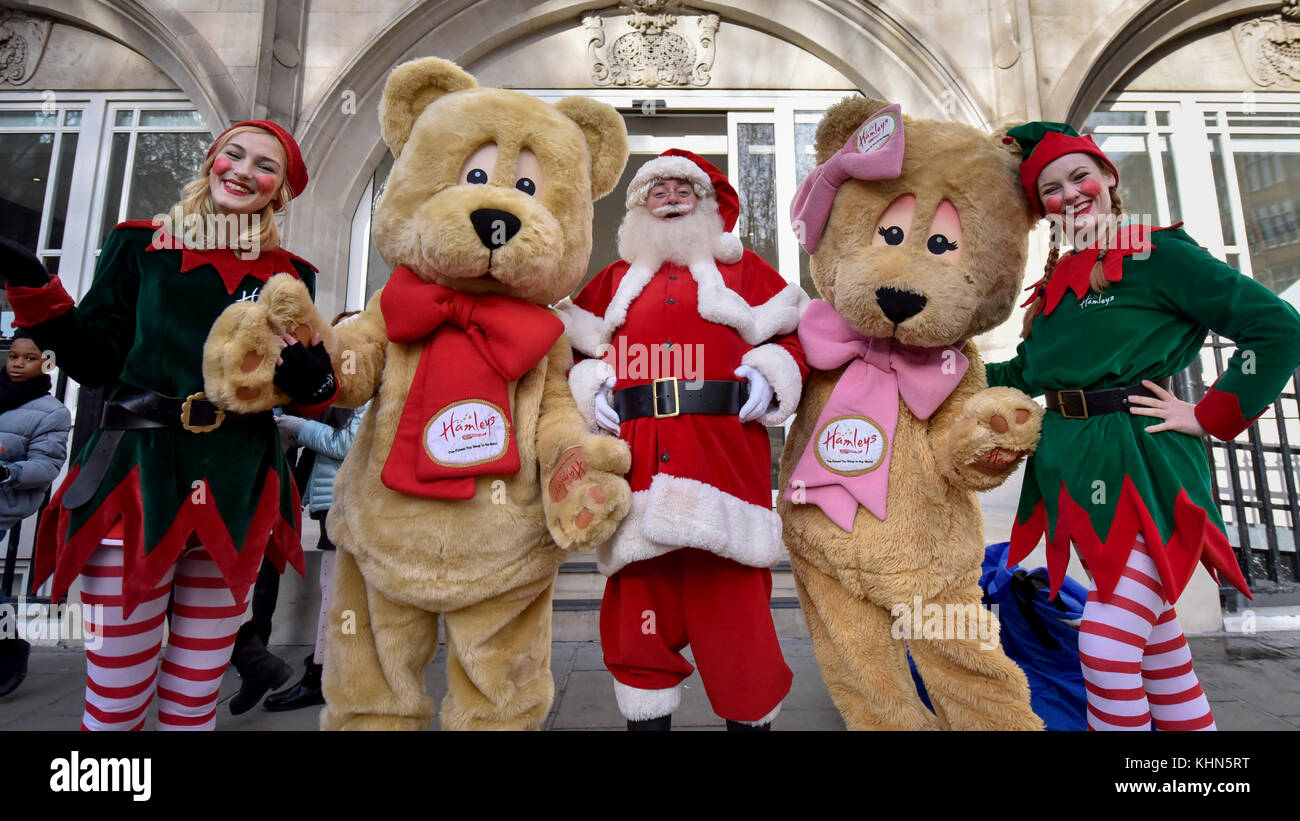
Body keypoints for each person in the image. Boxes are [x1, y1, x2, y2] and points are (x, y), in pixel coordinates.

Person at [0, 120, 337, 730]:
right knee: (116, 696)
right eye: (233, 154)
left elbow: (289, 389)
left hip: (236, 482)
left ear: (280, 192)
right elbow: (95, 358)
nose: (243, 171)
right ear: (211, 161)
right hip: (136, 474)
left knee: (191, 700)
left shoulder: (293, 275)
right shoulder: (139, 244)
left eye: (265, 166)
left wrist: (316, 387)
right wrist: (34, 287)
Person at [990, 122, 1300, 731]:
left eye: (1080, 175)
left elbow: (1277, 327)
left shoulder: (1159, 253)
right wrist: (943, 366)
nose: (1071, 194)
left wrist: (1209, 412)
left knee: (1106, 645)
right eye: (1050, 188)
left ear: (1108, 178)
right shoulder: (1058, 280)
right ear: (1042, 207)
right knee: (1158, 651)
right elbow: (1027, 370)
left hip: (1147, 466)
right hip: (1077, 468)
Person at [557, 149, 808, 730]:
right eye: (656, 189)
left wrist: (770, 374)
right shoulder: (612, 282)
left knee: (740, 637)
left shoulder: (748, 274)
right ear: (639, 207)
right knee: (637, 634)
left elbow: (797, 338)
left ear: (707, 201)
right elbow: (568, 352)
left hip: (724, 471)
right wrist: (589, 385)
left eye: (682, 188)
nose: (669, 197)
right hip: (638, 474)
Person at [262, 312, 367, 713]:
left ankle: (322, 676)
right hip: (332, 500)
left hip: (348, 501)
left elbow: (348, 444)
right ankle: (329, 672)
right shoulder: (338, 392)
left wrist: (293, 425)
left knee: (335, 595)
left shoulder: (364, 390)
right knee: (335, 593)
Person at [0, 330, 72, 697]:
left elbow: (45, 467)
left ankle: (8, 645)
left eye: (29, 358)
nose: (17, 364)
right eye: (14, 356)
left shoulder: (52, 412)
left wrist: (7, 471)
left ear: (47, 364)